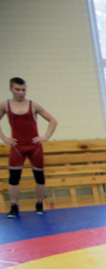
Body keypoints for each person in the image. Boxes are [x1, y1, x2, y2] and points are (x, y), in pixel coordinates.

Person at [1, 77, 57, 218]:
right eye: (17, 89)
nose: (21, 92)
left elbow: (53, 120)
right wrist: (4, 138)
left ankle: (39, 204)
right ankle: (13, 206)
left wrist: (45, 136)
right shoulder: (5, 105)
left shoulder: (33, 105)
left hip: (34, 147)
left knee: (39, 177)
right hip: (17, 147)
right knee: (14, 178)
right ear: (11, 89)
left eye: (23, 90)